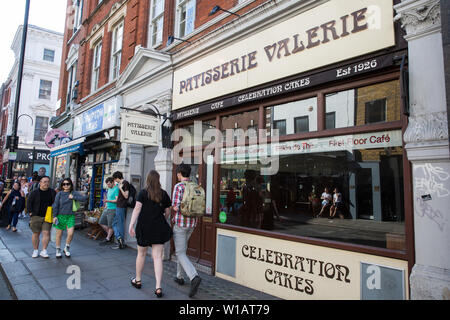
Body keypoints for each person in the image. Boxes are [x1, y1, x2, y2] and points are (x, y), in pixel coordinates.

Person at [128, 170, 172, 298]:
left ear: (148, 180)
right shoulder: (163, 194)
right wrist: (164, 217)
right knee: (157, 257)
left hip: (144, 227)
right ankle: (158, 287)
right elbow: (168, 211)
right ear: (158, 180)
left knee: (141, 254)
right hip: (158, 227)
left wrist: (131, 225)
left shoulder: (143, 193)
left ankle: (138, 280)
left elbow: (137, 209)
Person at [171, 163, 202, 298]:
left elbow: (176, 207)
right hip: (192, 224)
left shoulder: (178, 187)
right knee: (182, 251)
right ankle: (179, 276)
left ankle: (194, 276)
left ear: (179, 174)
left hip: (181, 224)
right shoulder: (195, 186)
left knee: (180, 252)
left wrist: (174, 208)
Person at [52, 178, 88, 258]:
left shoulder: (73, 193)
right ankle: (58, 249)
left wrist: (74, 197)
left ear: (71, 185)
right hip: (60, 216)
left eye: (67, 184)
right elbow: (55, 205)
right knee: (59, 234)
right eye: (64, 184)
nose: (66, 186)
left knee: (71, 233)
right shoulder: (59, 194)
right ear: (62, 185)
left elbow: (84, 198)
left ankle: (66, 247)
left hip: (70, 216)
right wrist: (54, 216)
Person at [26, 176, 56, 258]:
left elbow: (56, 203)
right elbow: (29, 202)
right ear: (40, 183)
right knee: (36, 233)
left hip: (48, 216)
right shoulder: (34, 192)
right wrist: (30, 212)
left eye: (48, 182)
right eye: (44, 182)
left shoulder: (52, 192)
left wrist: (55, 214)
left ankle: (44, 250)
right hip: (36, 216)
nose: (46, 183)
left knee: (46, 233)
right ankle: (35, 250)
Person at [111, 171, 129, 249]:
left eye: (115, 179)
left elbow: (126, 196)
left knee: (119, 223)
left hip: (121, 206)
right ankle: (119, 239)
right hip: (119, 206)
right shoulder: (120, 184)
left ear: (117, 178)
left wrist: (120, 188)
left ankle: (120, 240)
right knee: (115, 223)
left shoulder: (125, 183)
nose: (115, 181)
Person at [99, 177, 119, 246]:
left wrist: (108, 201)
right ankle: (110, 235)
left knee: (110, 225)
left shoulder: (116, 189)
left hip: (113, 209)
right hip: (107, 208)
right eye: (107, 184)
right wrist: (105, 205)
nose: (108, 185)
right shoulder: (109, 189)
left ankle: (108, 238)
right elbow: (108, 198)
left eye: (109, 184)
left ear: (113, 182)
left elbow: (117, 200)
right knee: (101, 222)